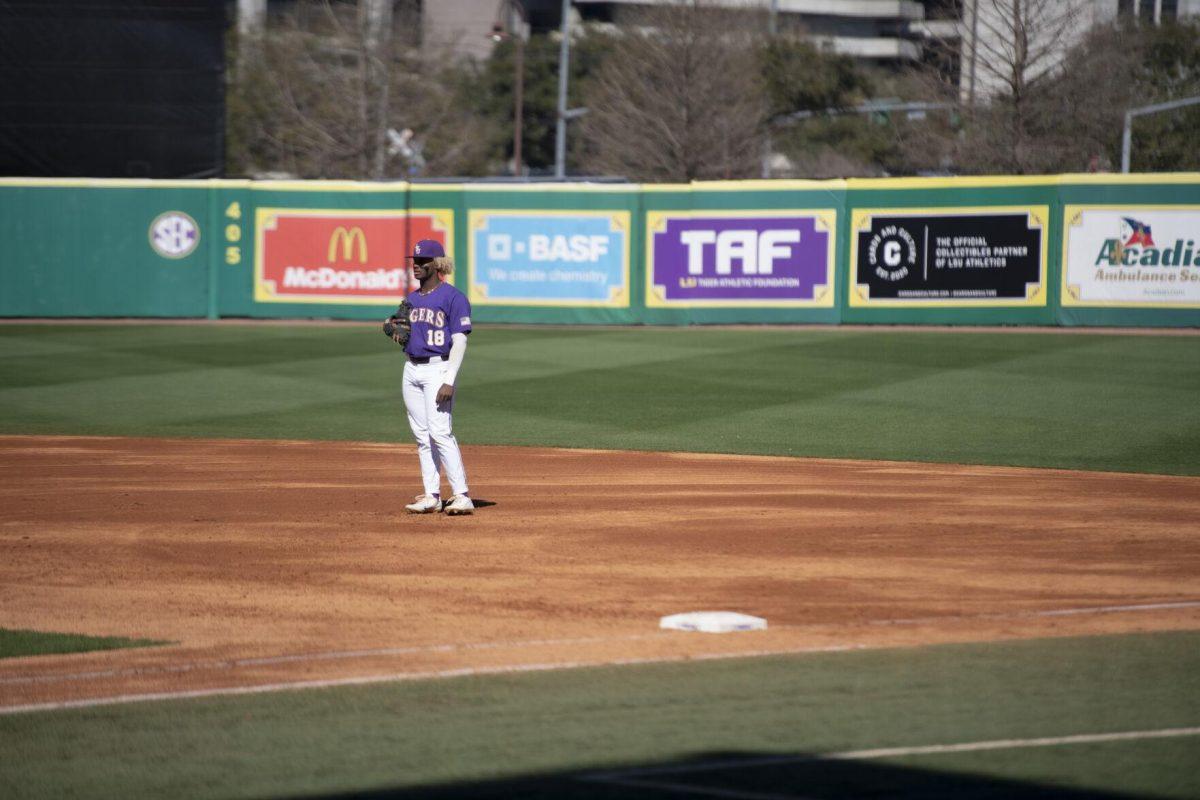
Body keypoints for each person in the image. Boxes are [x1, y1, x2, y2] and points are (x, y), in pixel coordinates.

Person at [391, 239, 474, 515]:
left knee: (440, 432)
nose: (416, 265)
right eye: (414, 261)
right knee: (422, 435)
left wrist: (449, 378)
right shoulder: (412, 300)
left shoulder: (453, 297)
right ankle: (432, 495)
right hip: (411, 369)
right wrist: (396, 332)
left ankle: (461, 495)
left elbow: (460, 341)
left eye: (422, 261)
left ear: (436, 264)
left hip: (438, 368)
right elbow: (406, 335)